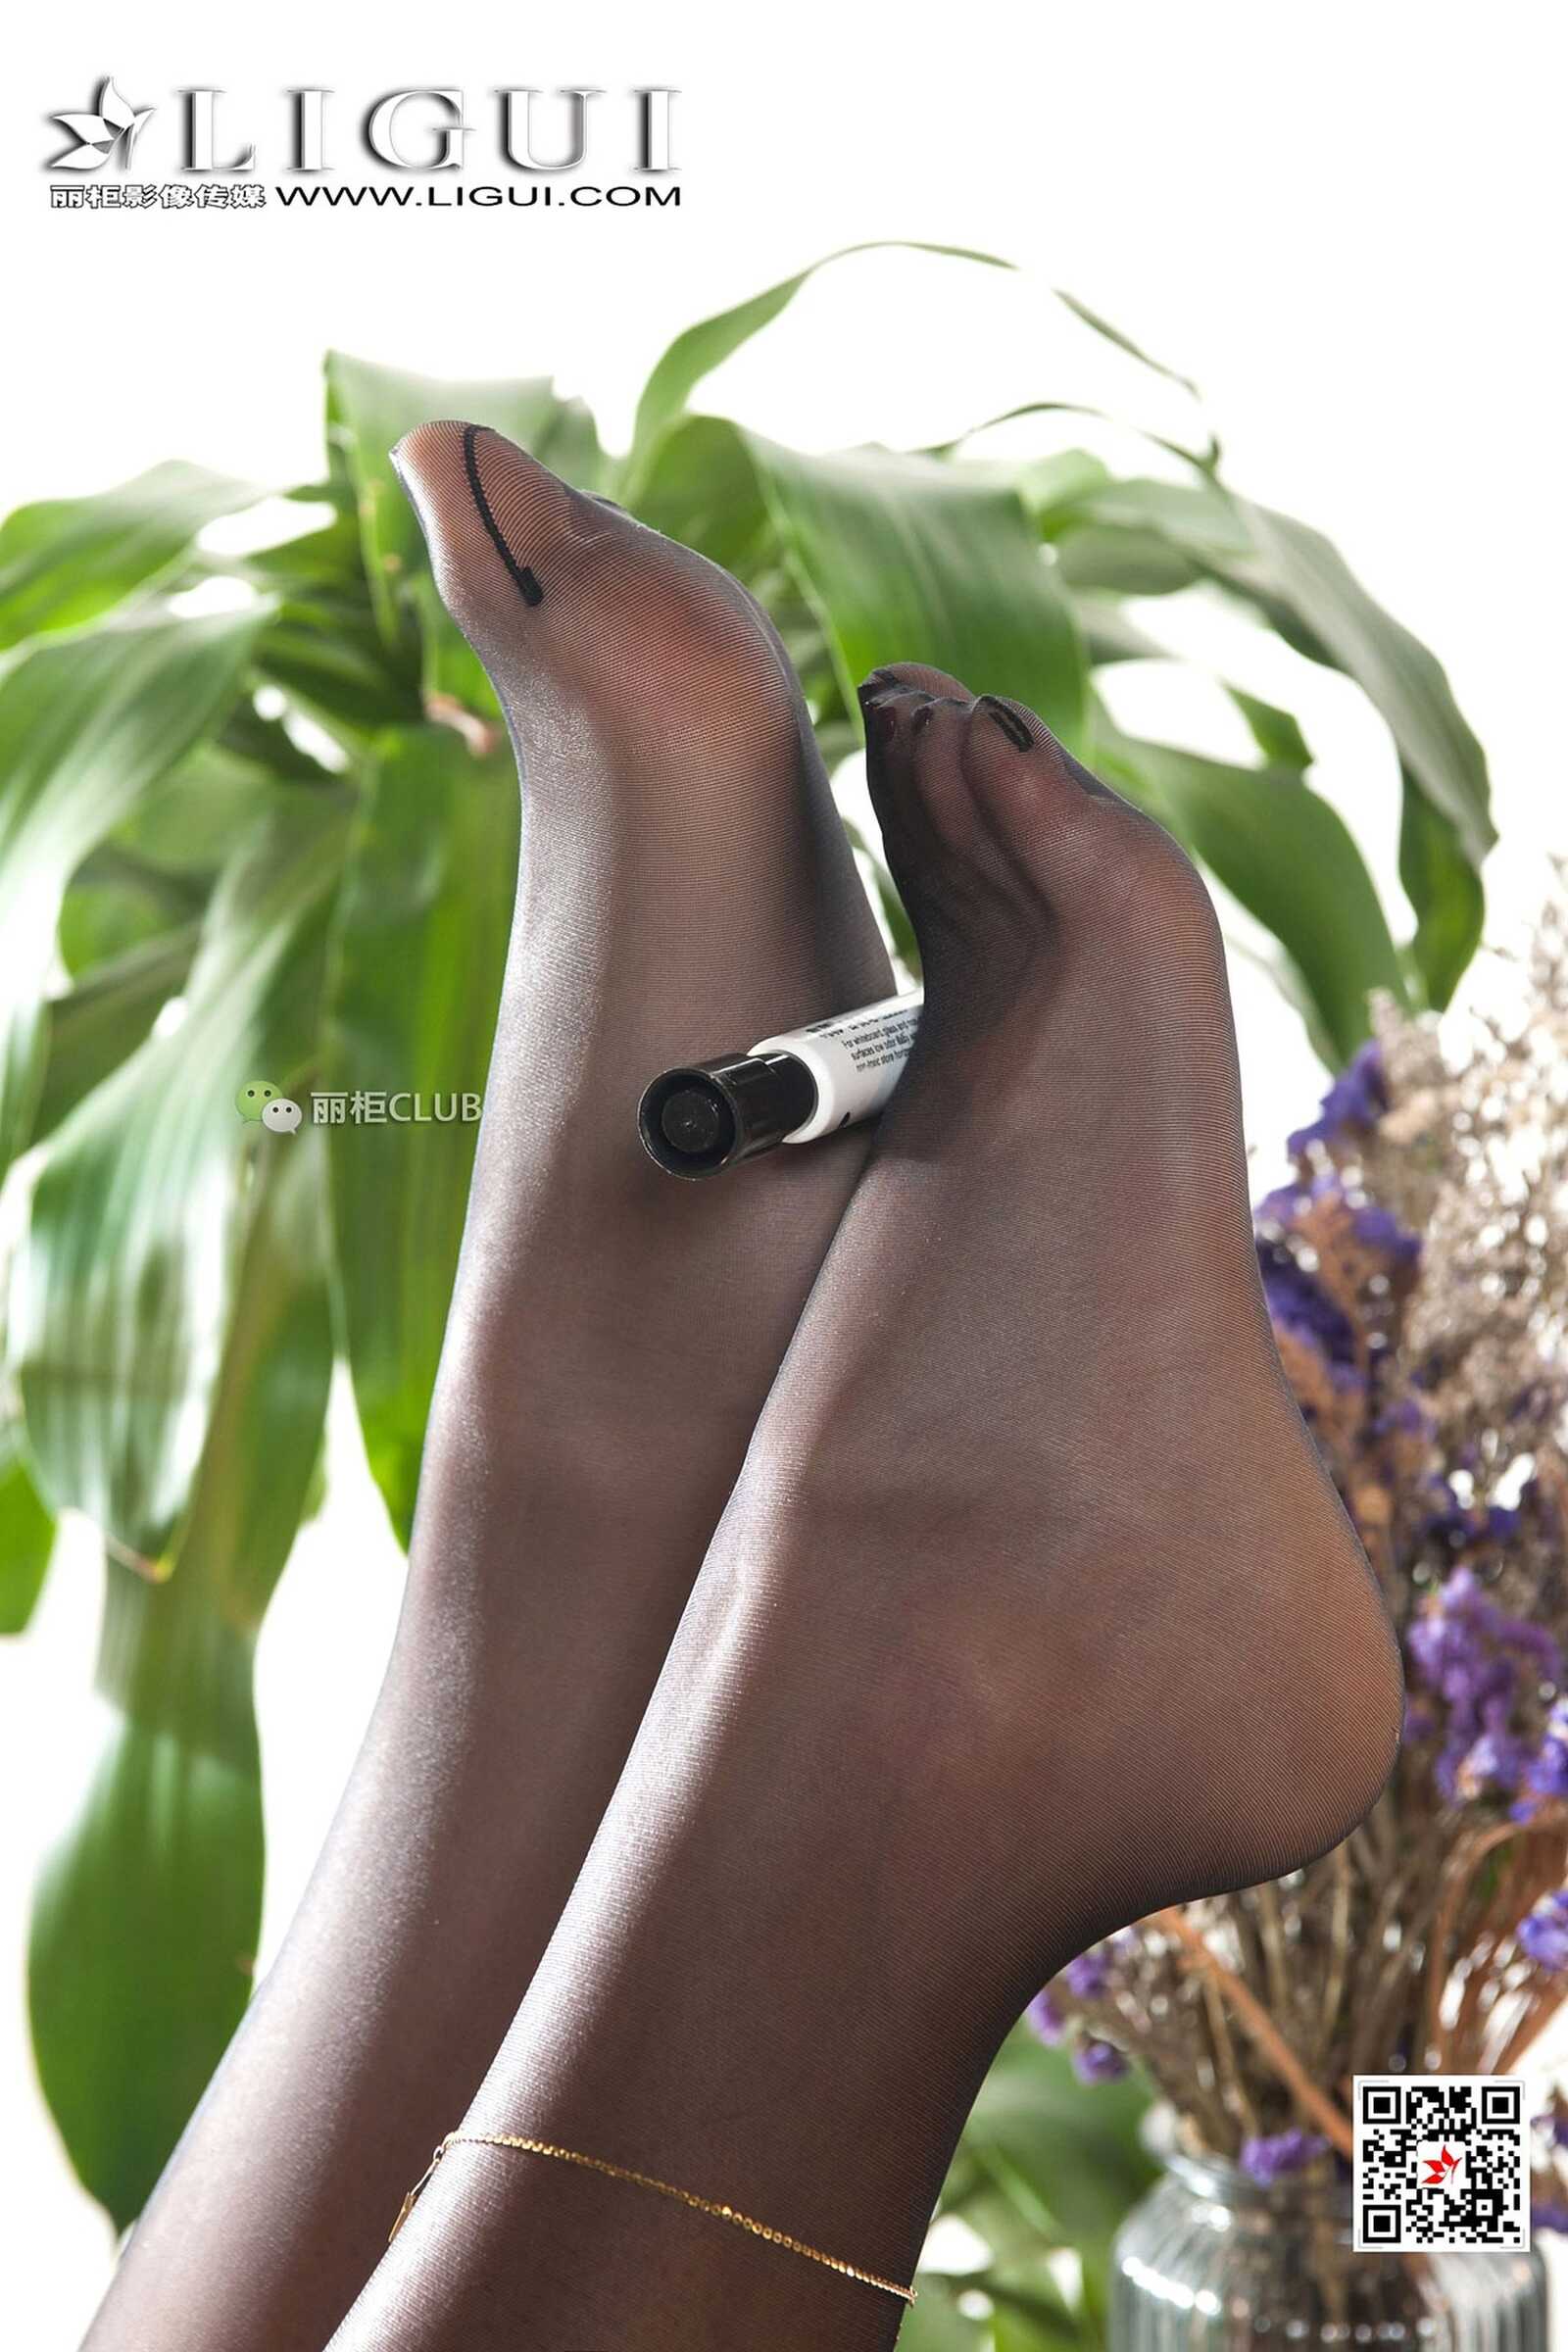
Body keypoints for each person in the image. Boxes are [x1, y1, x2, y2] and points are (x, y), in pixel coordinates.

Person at [85, 427, 1400, 2352]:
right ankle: (752, 1572)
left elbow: (1480, 2182)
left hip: (1355, 2179)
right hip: (1321, 2181)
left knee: (549, 1644)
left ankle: (631, 1548)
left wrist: (1428, 2174)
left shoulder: (1473, 2023)